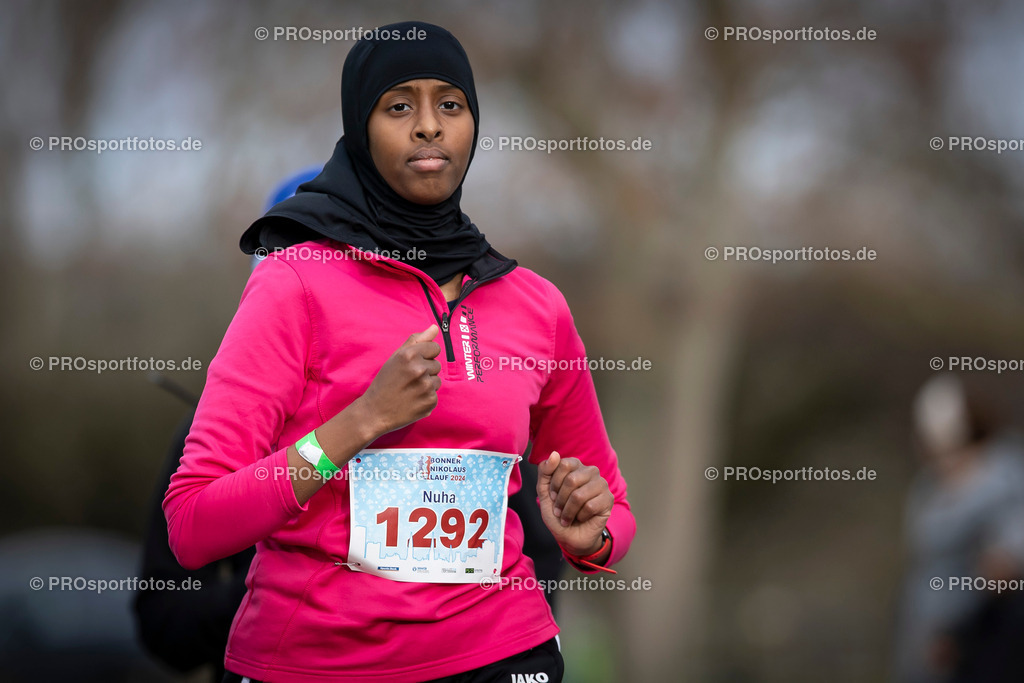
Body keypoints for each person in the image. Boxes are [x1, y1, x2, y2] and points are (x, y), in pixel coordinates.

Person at [164, 21, 635, 683]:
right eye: (399, 106)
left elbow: (610, 502)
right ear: (360, 128)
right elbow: (192, 523)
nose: (428, 127)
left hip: (503, 653)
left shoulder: (536, 304)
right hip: (316, 664)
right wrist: (357, 424)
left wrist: (594, 534)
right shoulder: (293, 283)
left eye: (450, 104)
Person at [894, 374, 1024, 683]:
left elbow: (1002, 565)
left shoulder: (1004, 478)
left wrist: (957, 630)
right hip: (925, 639)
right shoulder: (929, 487)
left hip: (980, 645)